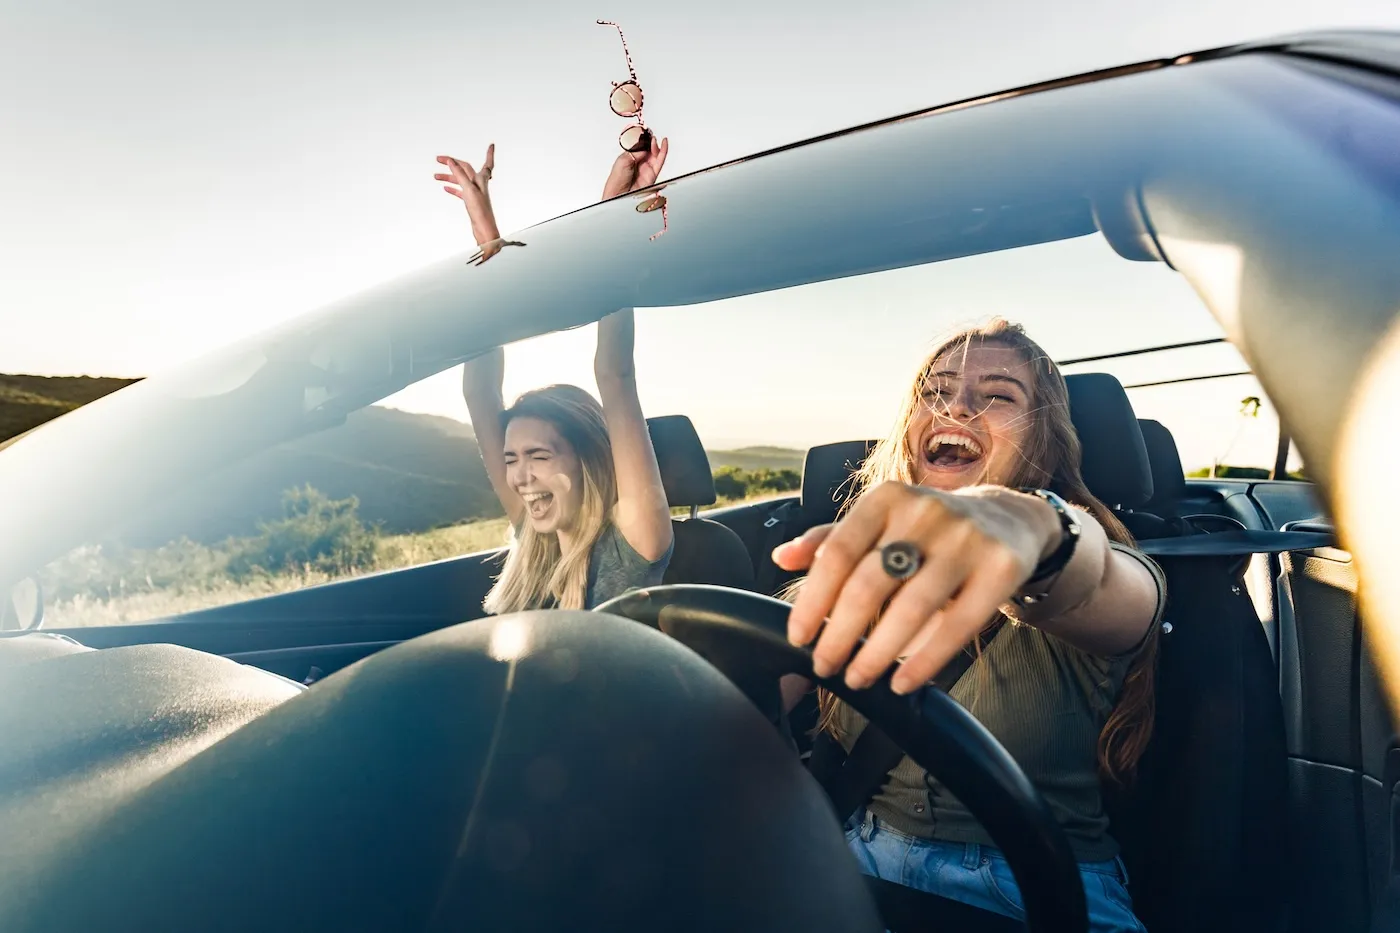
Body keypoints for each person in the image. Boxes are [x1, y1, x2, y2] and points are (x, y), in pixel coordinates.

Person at [776, 319, 1163, 933]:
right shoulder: (856, 567)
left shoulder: (1105, 561)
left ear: (1044, 440)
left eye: (999, 394)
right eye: (936, 390)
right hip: (857, 867)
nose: (956, 405)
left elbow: (1094, 578)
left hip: (1036, 889)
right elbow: (736, 689)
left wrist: (1033, 526)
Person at [435, 138, 674, 612]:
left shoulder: (632, 549)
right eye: (511, 459)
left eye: (538, 455)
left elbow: (615, 374)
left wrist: (613, 219)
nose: (521, 477)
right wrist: (487, 236)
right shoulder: (534, 535)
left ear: (585, 457)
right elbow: (479, 392)